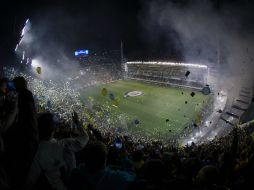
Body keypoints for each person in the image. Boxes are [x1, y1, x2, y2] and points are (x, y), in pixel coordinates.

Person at [25, 112, 89, 190]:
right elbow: (85, 138)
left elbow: (30, 180)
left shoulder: (38, 154)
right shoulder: (64, 144)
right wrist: (77, 122)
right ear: (54, 130)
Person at [4, 76, 38, 188]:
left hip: (27, 138)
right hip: (29, 136)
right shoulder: (26, 94)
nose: (12, 87)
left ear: (18, 85)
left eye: (14, 85)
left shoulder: (24, 95)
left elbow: (22, 118)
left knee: (24, 169)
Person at [68, 141, 136, 190]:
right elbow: (131, 175)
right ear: (105, 159)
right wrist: (124, 157)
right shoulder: (113, 177)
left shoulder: (76, 172)